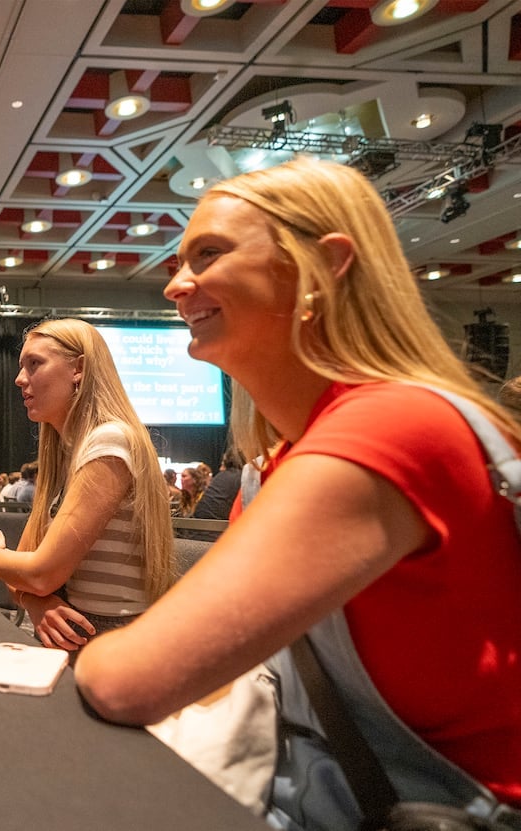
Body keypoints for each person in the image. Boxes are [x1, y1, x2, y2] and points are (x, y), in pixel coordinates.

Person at [74, 159, 521, 826]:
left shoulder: (392, 427)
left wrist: (98, 650)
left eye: (209, 254)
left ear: (327, 264)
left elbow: (126, 680)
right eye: (177, 262)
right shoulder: (275, 463)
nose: (175, 285)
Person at [0, 318, 175, 651]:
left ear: (78, 369)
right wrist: (36, 601)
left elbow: (40, 572)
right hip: (79, 635)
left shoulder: (109, 441)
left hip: (110, 643)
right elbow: (24, 577)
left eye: (34, 364)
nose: (19, 379)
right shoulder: (69, 457)